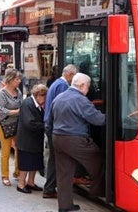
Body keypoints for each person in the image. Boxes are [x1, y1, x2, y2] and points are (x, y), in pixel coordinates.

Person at [47, 73, 106, 212]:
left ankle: (65, 206)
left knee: (64, 174)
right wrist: (116, 117)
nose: (88, 89)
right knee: (99, 161)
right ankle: (97, 192)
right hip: (75, 139)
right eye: (88, 86)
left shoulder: (59, 98)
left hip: (57, 137)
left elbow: (49, 122)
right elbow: (98, 119)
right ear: (81, 86)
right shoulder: (80, 99)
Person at [43, 64, 78, 199]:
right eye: (74, 77)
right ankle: (50, 188)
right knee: (57, 160)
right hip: (55, 127)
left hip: (50, 124)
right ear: (69, 74)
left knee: (54, 159)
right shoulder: (63, 86)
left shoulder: (56, 83)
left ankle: (50, 187)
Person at [16, 84, 48, 194]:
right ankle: (21, 184)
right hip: (26, 140)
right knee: (25, 163)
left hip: (35, 140)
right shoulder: (27, 104)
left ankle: (31, 182)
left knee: (35, 162)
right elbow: (29, 123)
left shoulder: (38, 104)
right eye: (44, 97)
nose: (45, 100)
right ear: (38, 95)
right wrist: (45, 125)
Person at [0, 69, 23, 186]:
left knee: (19, 149)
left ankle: (17, 172)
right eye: (17, 79)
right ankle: (4, 175)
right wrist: (16, 111)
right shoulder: (2, 93)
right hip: (4, 125)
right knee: (6, 151)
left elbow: (22, 104)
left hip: (17, 124)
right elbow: (0, 109)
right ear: (10, 80)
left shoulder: (19, 92)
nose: (19, 81)